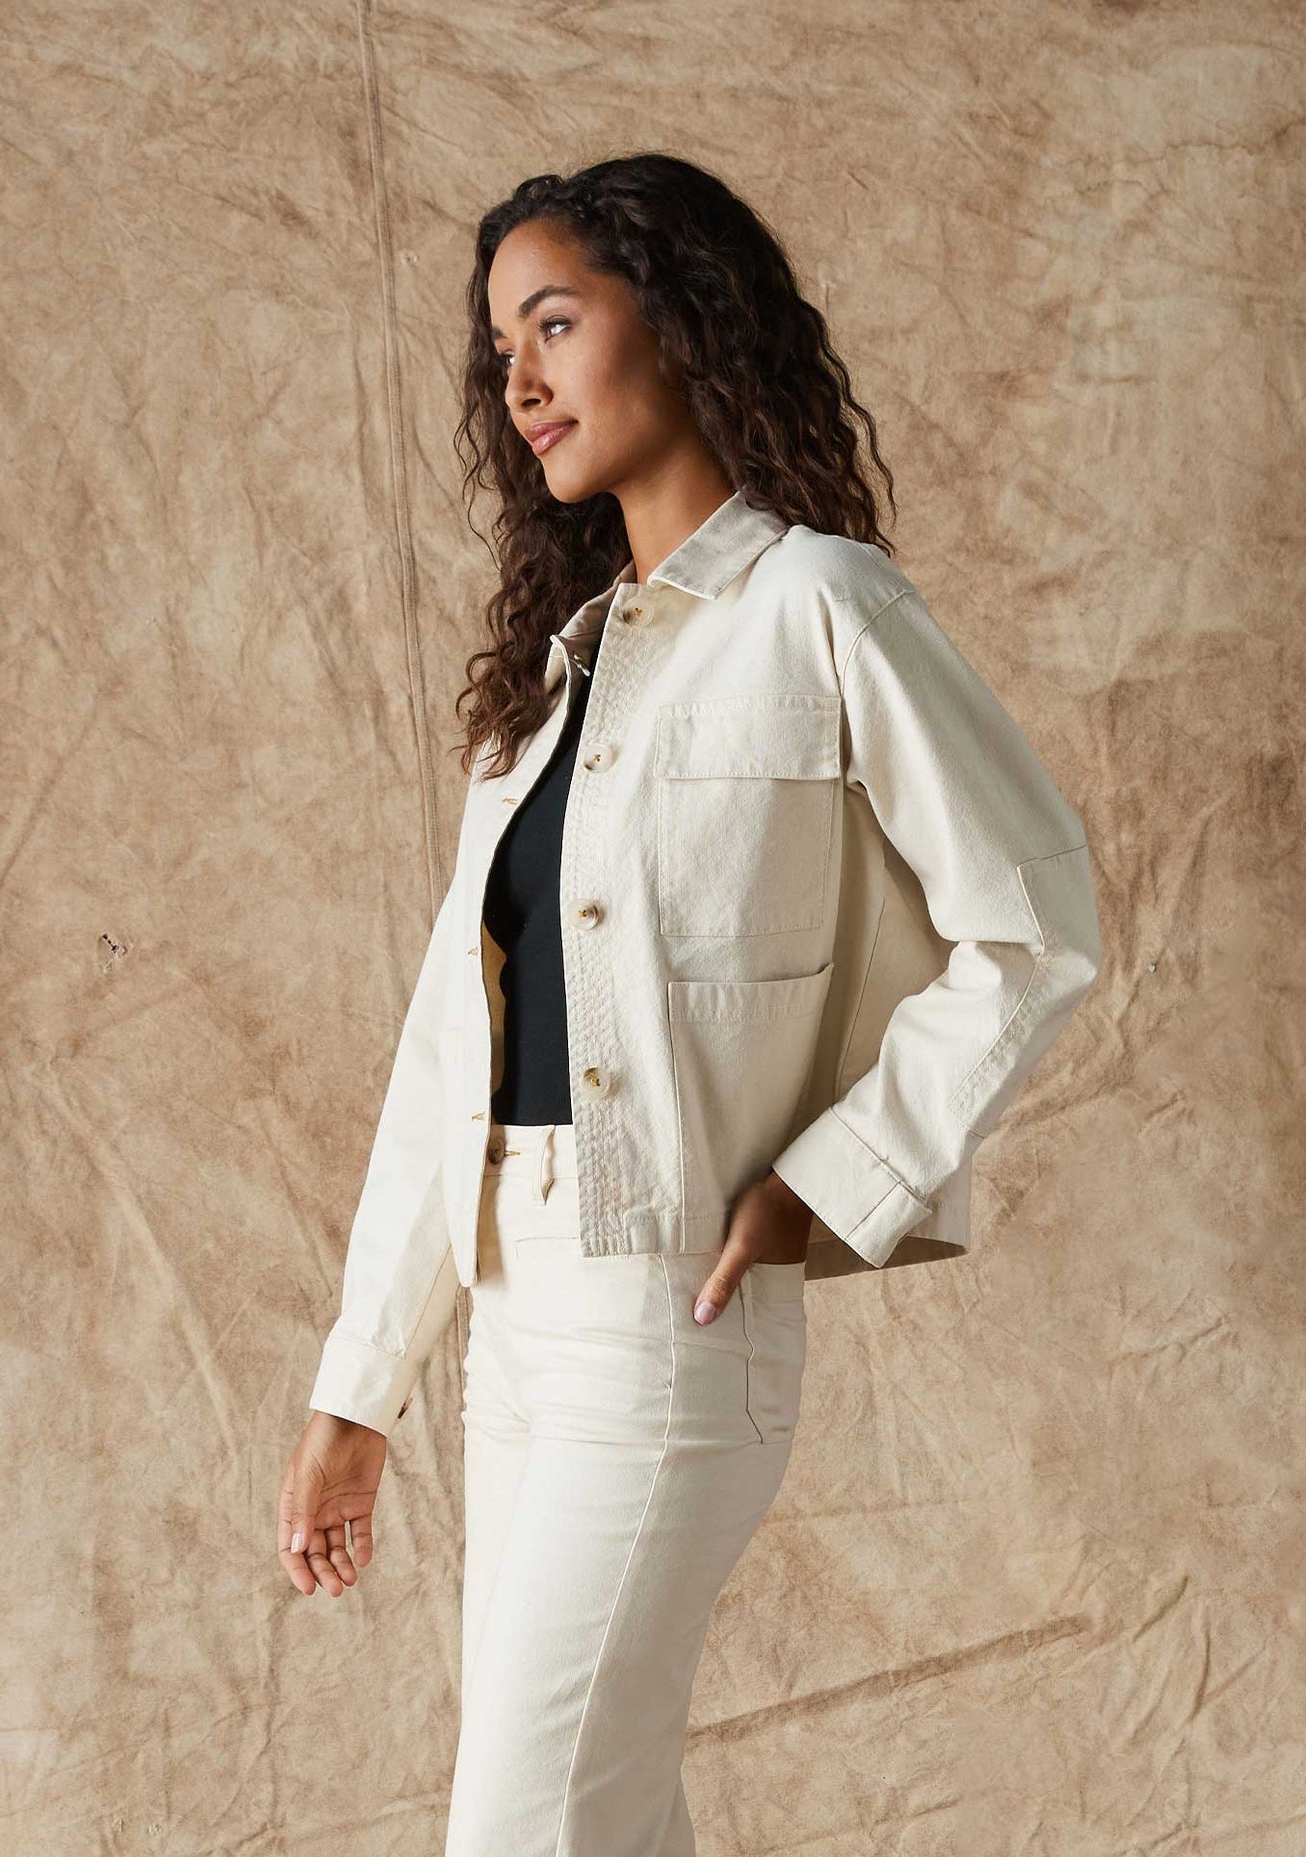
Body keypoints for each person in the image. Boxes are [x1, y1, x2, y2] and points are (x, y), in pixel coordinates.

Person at [277, 153, 1102, 1855]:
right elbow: (448, 1055)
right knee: (602, 1816)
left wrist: (823, 1179)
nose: (518, 381)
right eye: (498, 346)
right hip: (509, 1325)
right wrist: (359, 1390)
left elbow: (1032, 925)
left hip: (666, 1326)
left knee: (521, 1828)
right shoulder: (550, 686)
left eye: (553, 323)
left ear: (678, 316)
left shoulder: (823, 605)